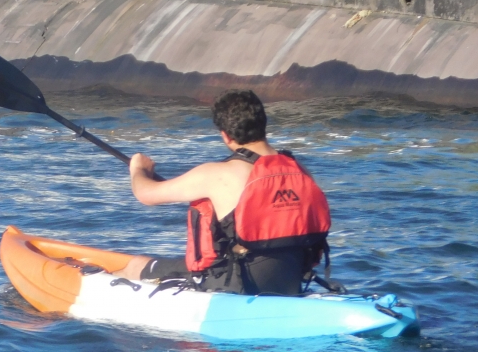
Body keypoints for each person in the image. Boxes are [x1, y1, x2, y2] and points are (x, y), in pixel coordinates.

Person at [114, 90, 331, 295]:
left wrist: (138, 169)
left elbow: (146, 194)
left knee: (136, 266)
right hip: (290, 281)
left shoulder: (217, 174)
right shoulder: (299, 170)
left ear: (226, 136)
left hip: (235, 284)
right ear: (263, 125)